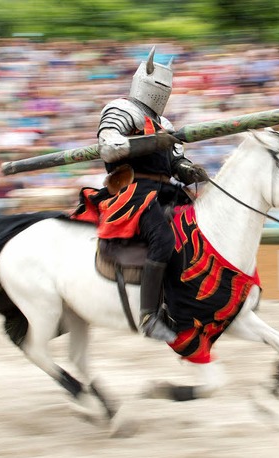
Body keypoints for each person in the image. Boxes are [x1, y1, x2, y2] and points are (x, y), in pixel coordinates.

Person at [77, 47, 208, 343]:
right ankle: (149, 315)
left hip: (167, 190)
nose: (161, 93)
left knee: (202, 229)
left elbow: (174, 163)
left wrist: (189, 170)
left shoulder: (167, 124)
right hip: (134, 192)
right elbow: (109, 147)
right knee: (163, 239)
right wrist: (151, 143)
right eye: (157, 87)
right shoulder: (121, 109)